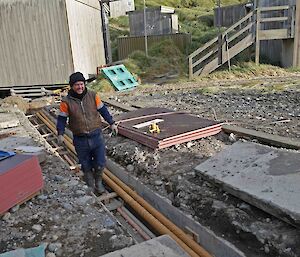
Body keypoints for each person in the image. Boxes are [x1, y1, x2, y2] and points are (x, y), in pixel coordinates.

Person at [56, 72, 117, 194]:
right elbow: (61, 119)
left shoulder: (93, 96)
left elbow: (103, 110)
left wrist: (111, 122)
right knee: (85, 164)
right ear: (72, 86)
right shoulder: (66, 102)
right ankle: (90, 185)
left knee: (100, 163)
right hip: (80, 139)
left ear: (84, 84)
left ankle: (98, 184)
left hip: (96, 136)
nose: (80, 87)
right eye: (77, 85)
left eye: (81, 84)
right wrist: (60, 133)